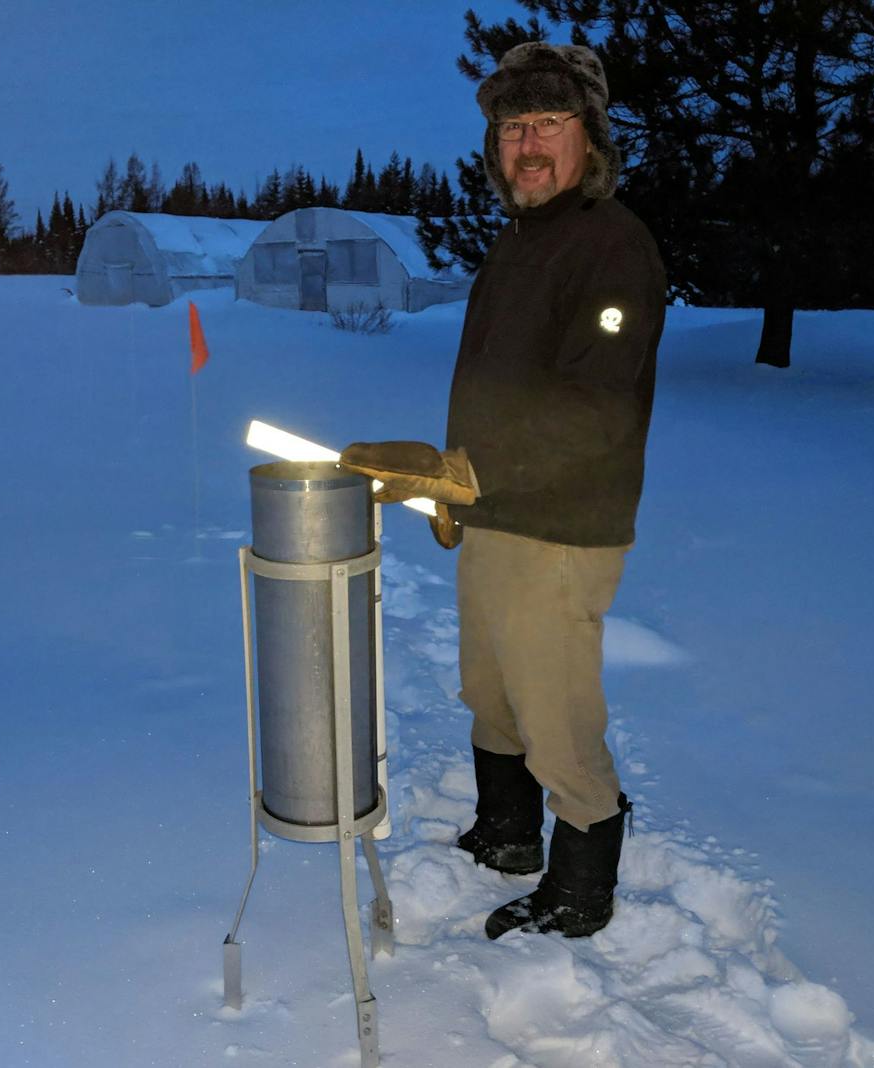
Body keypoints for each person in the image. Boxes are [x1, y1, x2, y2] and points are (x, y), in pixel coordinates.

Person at [341, 42, 666, 940]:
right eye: (512, 126)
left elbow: (592, 407)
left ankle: (579, 890)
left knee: (555, 714)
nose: (526, 144)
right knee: (491, 692)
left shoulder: (611, 247)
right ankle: (509, 832)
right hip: (496, 512)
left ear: (589, 138)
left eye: (548, 124)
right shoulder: (520, 241)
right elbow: (499, 387)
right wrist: (455, 482)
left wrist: (471, 473)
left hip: (561, 528)